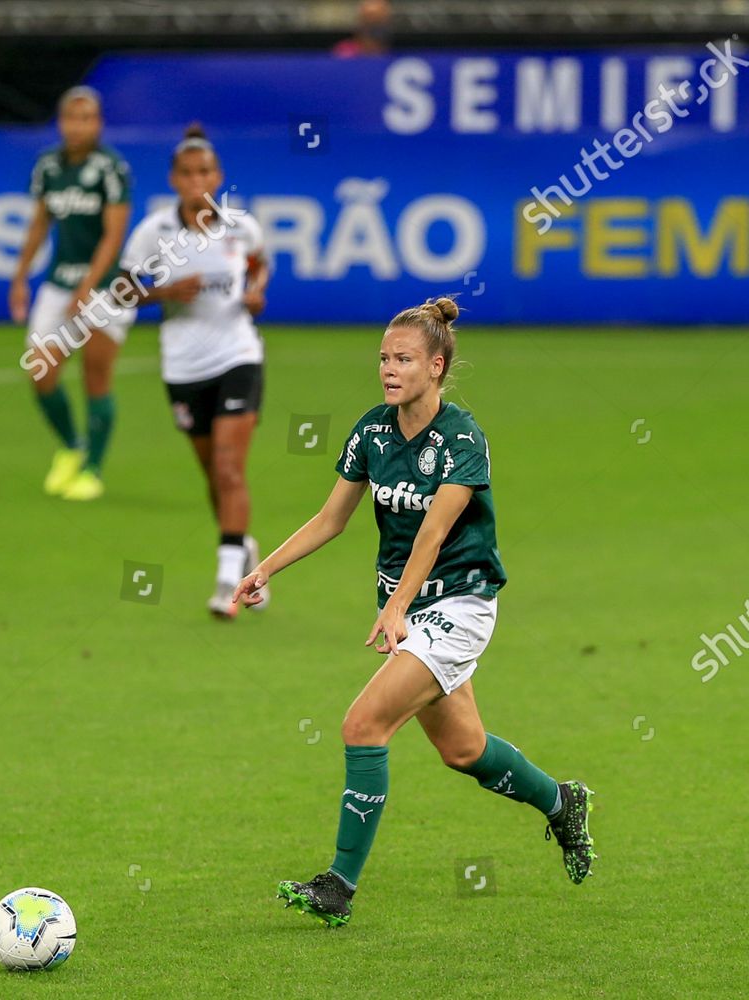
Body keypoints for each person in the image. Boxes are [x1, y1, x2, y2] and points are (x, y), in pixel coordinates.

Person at [232, 297, 594, 927]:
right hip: (408, 611)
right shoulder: (372, 430)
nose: (389, 369)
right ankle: (562, 801)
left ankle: (338, 886)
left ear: (437, 365)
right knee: (465, 750)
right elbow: (331, 519)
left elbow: (433, 531)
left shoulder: (461, 438)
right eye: (382, 357)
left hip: (460, 604)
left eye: (403, 359)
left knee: (362, 724)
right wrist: (267, 567)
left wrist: (398, 607)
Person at [118, 125, 271, 617]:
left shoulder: (240, 226)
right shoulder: (154, 232)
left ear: (218, 176)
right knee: (213, 474)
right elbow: (120, 292)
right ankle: (245, 549)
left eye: (205, 172)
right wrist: (163, 293)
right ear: (173, 180)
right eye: (187, 174)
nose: (196, 181)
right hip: (183, 366)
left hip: (237, 356)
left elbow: (260, 263)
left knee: (229, 468)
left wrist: (255, 291)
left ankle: (229, 585)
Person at [10, 87, 134, 501]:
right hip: (57, 281)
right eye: (71, 118)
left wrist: (88, 286)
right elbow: (40, 225)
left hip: (105, 288)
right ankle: (71, 446)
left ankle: (93, 470)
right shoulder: (48, 166)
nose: (78, 126)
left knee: (95, 375)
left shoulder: (111, 169)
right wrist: (19, 277)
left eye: (87, 118)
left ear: (98, 124)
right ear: (61, 122)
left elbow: (113, 236)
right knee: (41, 370)